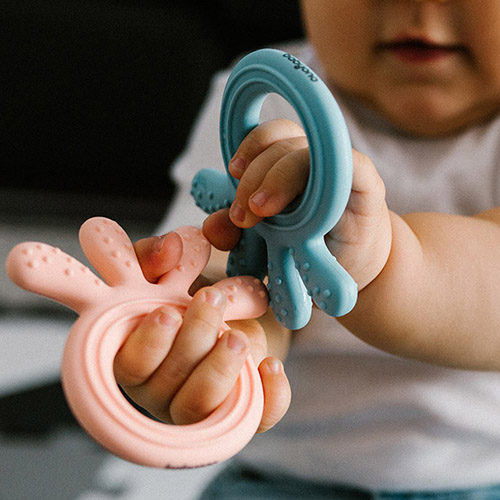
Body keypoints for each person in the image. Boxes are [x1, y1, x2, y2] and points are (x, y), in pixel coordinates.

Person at [115, 1, 500, 497]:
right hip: (277, 477)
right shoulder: (267, 99)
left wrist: (382, 262)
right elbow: (228, 265)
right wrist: (209, 340)